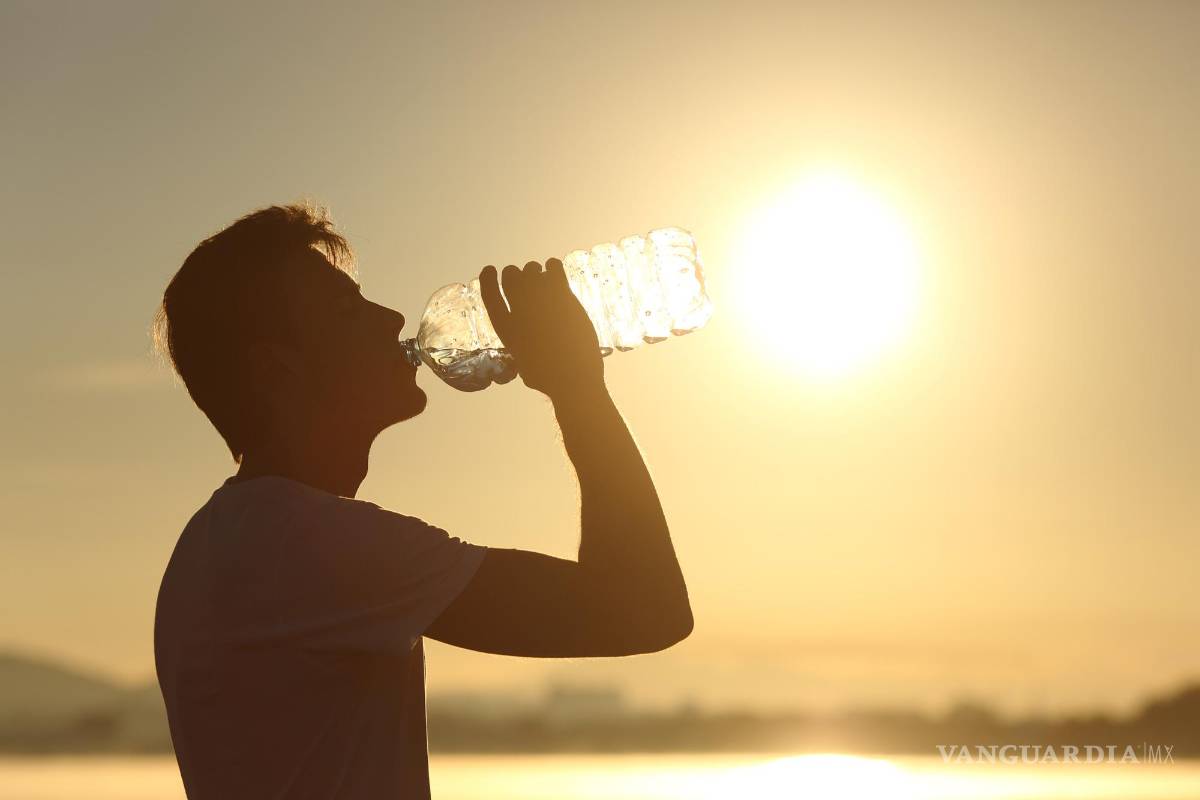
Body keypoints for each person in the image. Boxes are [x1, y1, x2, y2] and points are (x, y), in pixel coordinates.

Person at [152, 204, 693, 799]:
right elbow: (643, 609)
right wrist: (577, 387)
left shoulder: (224, 540)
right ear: (279, 370)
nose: (389, 317)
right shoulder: (303, 543)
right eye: (346, 310)